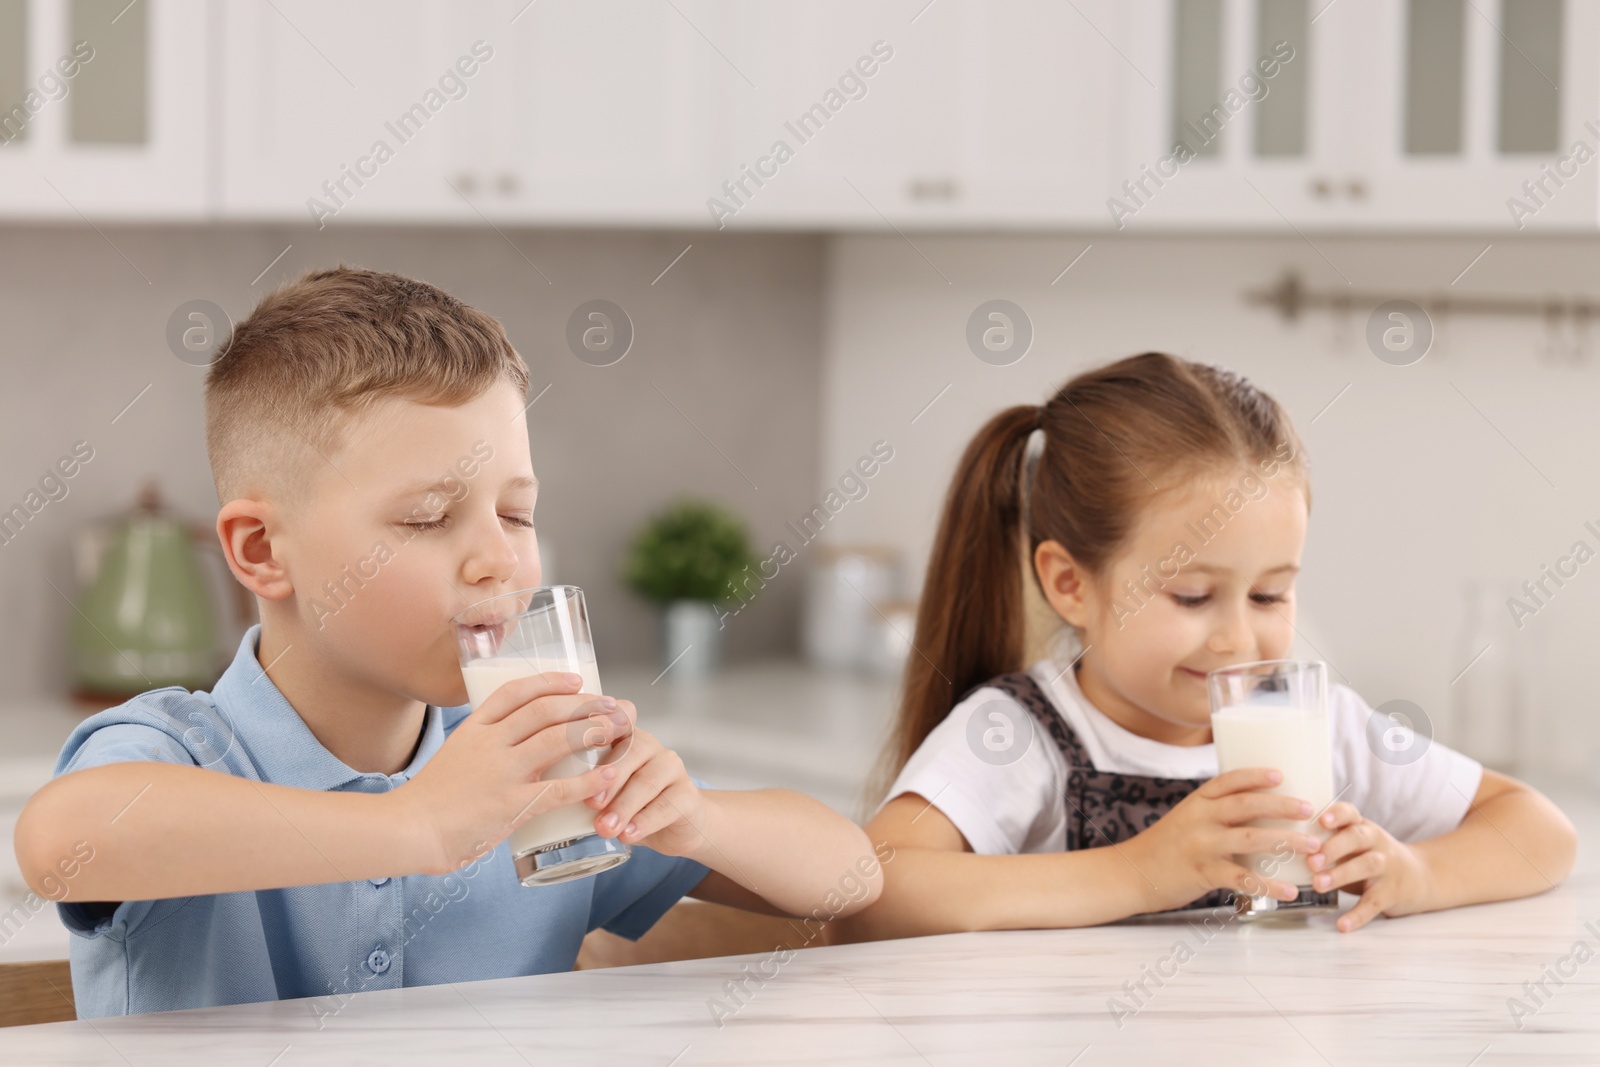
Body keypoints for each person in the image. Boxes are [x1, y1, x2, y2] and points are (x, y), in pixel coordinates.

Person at [15, 266, 882, 1019]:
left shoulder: (534, 778)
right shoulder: (183, 753)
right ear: (261, 551)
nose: (500, 558)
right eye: (428, 517)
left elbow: (852, 875)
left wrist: (701, 818)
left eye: (515, 512)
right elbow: (63, 839)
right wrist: (412, 823)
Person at [835, 351, 1575, 940]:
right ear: (1070, 583)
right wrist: (1137, 872)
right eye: (1191, 595)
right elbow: (870, 888)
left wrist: (1416, 871)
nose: (1238, 638)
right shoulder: (1020, 732)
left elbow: (1539, 830)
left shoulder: (1314, 726)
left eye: (1270, 594)